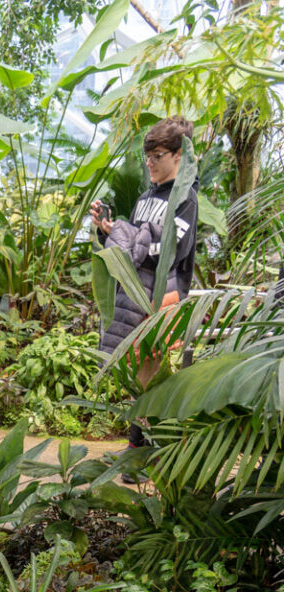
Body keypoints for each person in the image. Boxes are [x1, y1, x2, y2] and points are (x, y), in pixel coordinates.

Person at [91, 117, 199, 476]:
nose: (150, 162)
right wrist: (108, 230)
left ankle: (157, 458)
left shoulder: (185, 198)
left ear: (179, 155)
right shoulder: (145, 198)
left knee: (160, 380)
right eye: (147, 155)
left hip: (165, 297)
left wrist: (129, 240)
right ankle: (138, 453)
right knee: (141, 379)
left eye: (157, 155)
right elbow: (131, 249)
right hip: (135, 297)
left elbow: (172, 251)